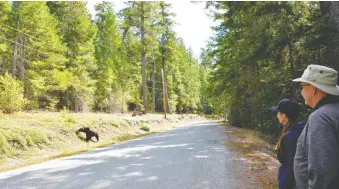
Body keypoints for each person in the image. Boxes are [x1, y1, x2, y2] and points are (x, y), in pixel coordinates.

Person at [292, 64, 339, 189]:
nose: (301, 91)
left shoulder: (320, 117)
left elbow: (322, 172)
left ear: (313, 89)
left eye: (302, 86)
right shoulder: (333, 112)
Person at [270, 99, 305, 189]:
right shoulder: (301, 129)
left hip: (289, 181)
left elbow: (291, 163)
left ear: (284, 115)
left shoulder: (289, 136)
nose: (277, 115)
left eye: (278, 112)